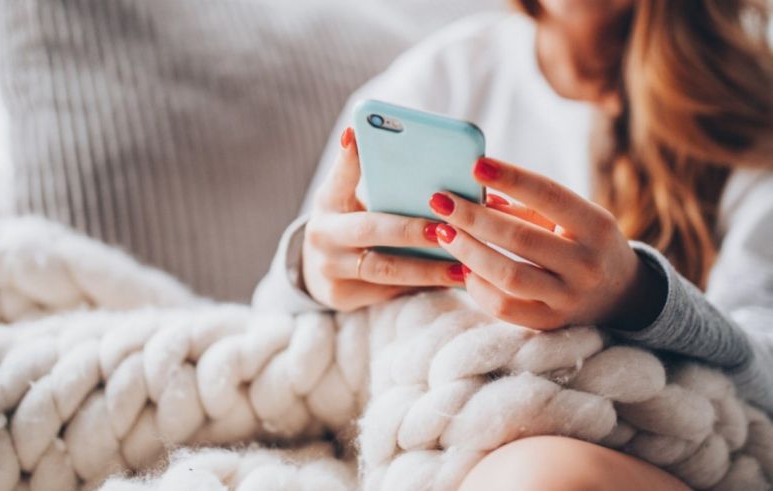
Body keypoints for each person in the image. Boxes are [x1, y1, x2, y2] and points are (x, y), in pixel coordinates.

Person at [253, 0, 773, 489]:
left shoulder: (751, 108)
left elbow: (765, 370)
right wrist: (313, 273)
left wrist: (642, 299)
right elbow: (267, 324)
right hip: (437, 429)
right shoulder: (444, 75)